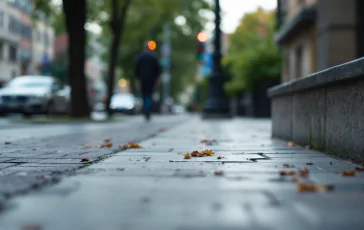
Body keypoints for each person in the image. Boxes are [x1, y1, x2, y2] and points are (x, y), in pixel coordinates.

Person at [135, 42, 162, 121]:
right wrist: (157, 79)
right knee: (149, 96)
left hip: (142, 79)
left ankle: (145, 110)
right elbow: (158, 69)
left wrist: (137, 78)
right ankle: (147, 111)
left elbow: (136, 69)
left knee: (144, 95)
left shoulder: (140, 57)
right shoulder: (153, 57)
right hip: (151, 79)